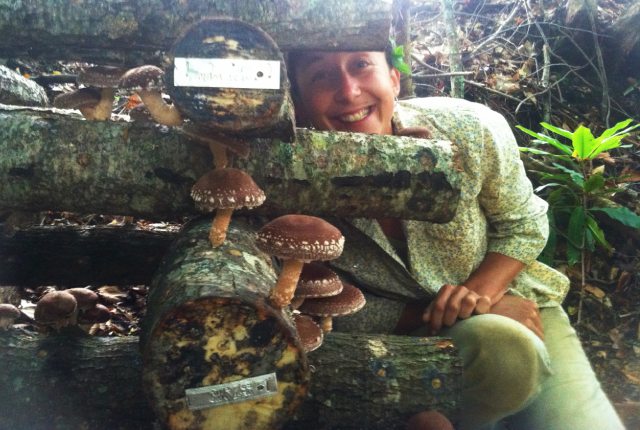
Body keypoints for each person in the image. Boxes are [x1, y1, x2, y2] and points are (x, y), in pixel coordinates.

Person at [287, 49, 626, 430]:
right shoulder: (285, 179)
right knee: (500, 355)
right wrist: (463, 313)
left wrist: (482, 294)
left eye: (362, 65)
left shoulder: (469, 128)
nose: (348, 91)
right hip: (398, 340)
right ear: (297, 103)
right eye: (321, 77)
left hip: (513, 301)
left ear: (394, 80)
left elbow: (523, 223)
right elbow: (307, 306)